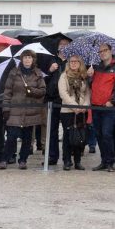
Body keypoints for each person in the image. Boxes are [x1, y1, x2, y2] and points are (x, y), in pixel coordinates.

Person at [0, 50, 47, 170]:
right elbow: (7, 91)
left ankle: (23, 160)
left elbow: (42, 91)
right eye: (25, 57)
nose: (27, 60)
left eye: (29, 58)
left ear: (33, 60)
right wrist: (6, 108)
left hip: (31, 111)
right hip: (15, 110)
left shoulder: (38, 73)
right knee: (11, 137)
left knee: (27, 138)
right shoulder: (14, 72)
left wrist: (31, 90)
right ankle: (5, 158)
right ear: (22, 59)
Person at [88, 43, 115, 172]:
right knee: (99, 134)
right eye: (100, 51)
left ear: (111, 51)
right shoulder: (96, 68)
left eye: (105, 50)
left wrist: (112, 100)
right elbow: (91, 86)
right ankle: (104, 160)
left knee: (107, 133)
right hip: (95, 106)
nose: (102, 53)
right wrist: (89, 76)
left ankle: (110, 161)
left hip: (109, 107)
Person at [57, 54, 90, 171]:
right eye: (71, 61)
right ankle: (67, 161)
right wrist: (74, 107)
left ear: (80, 63)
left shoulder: (83, 77)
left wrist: (85, 106)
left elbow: (86, 93)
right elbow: (63, 93)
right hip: (67, 111)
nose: (74, 63)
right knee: (68, 136)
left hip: (81, 111)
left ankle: (77, 161)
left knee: (79, 136)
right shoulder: (64, 76)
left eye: (76, 61)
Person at [44, 37, 71, 167]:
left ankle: (67, 158)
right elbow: (43, 79)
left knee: (68, 130)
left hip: (66, 100)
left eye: (66, 44)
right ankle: (52, 156)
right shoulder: (51, 60)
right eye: (61, 44)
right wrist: (49, 71)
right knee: (52, 130)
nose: (63, 46)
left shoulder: (72, 61)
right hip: (52, 99)